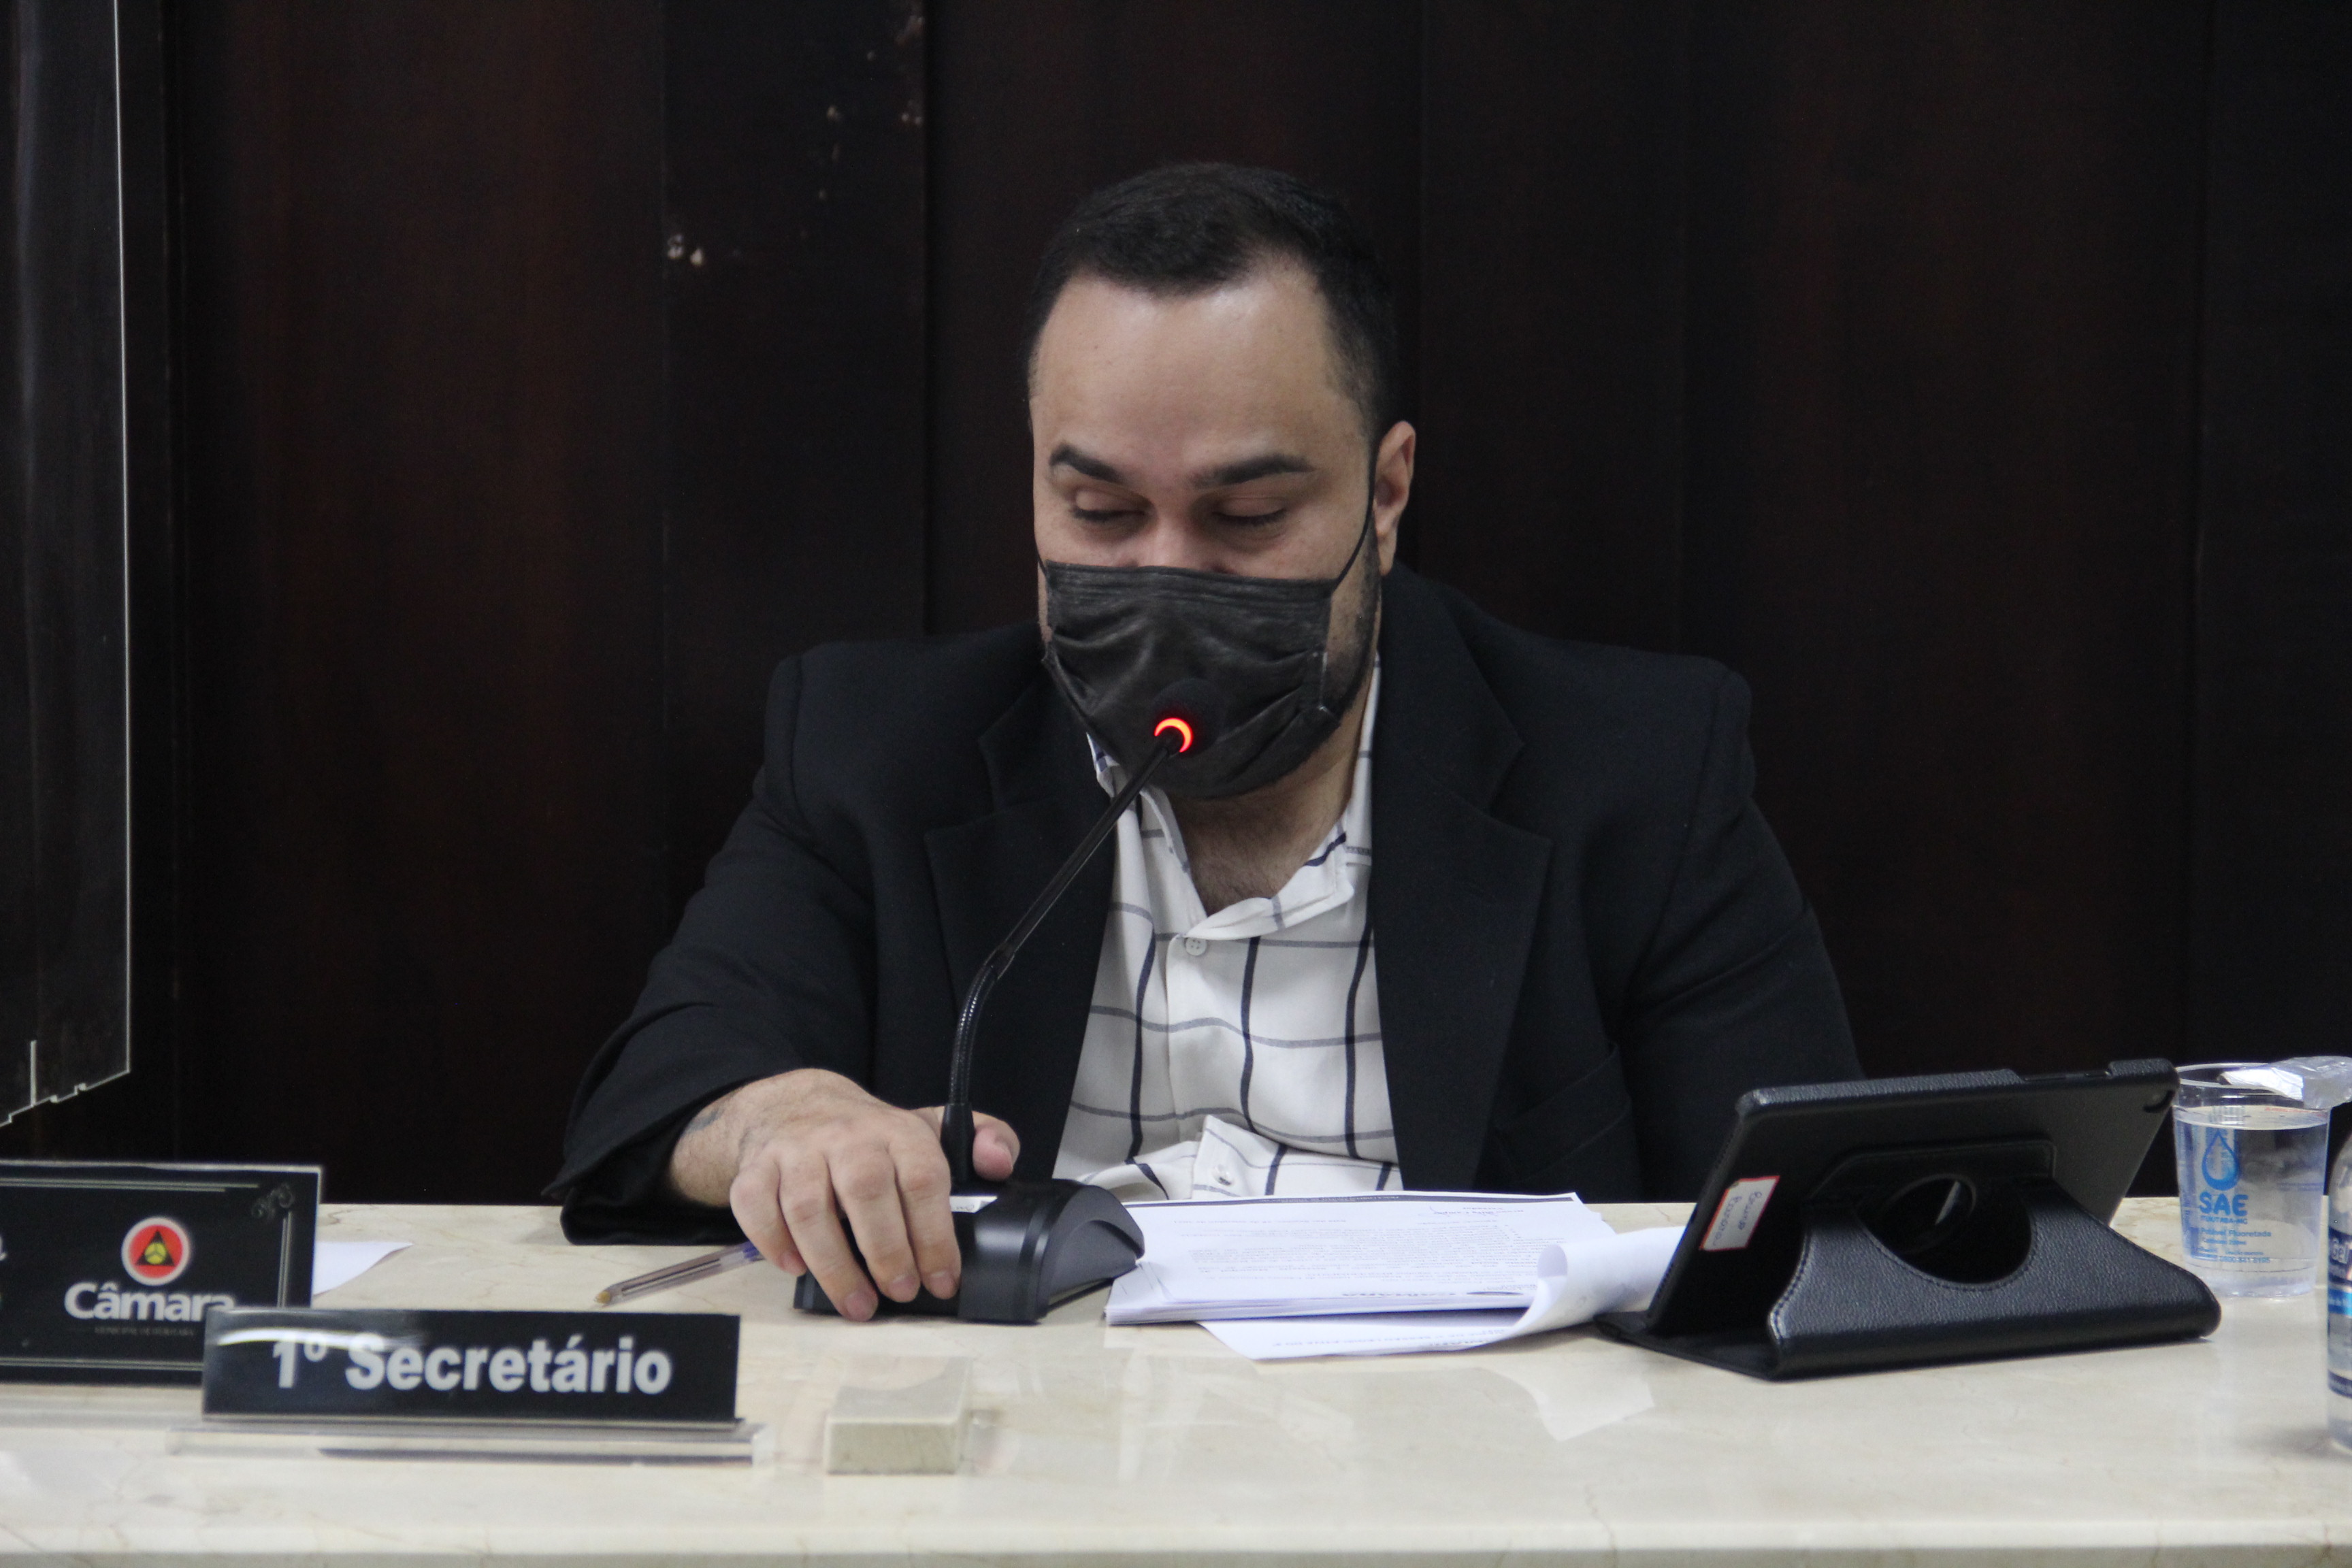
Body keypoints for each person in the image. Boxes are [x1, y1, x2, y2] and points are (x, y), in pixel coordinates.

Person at [552, 163, 1858, 1320]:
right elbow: (655, 1095)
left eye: (1246, 518)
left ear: (1386, 490)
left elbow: (1809, 1222)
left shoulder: (1635, 772)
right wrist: (782, 1120)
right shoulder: (876, 751)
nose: (1167, 576)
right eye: (1102, 511)